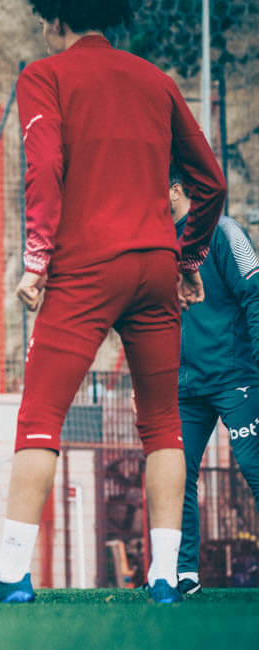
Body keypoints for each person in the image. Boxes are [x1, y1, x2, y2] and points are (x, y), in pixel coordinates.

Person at [0, 0, 225, 605]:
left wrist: (36, 259)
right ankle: (165, 579)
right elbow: (210, 182)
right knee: (163, 425)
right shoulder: (156, 81)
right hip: (156, 263)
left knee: (40, 418)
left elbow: (45, 164)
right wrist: (187, 259)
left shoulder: (44, 75)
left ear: (54, 20)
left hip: (86, 266)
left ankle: (10, 577)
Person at [170, 167, 259, 596]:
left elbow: (256, 294)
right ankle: (183, 574)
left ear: (173, 191)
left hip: (235, 377)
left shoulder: (224, 233)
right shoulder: (155, 243)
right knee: (176, 475)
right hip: (184, 387)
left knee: (256, 470)